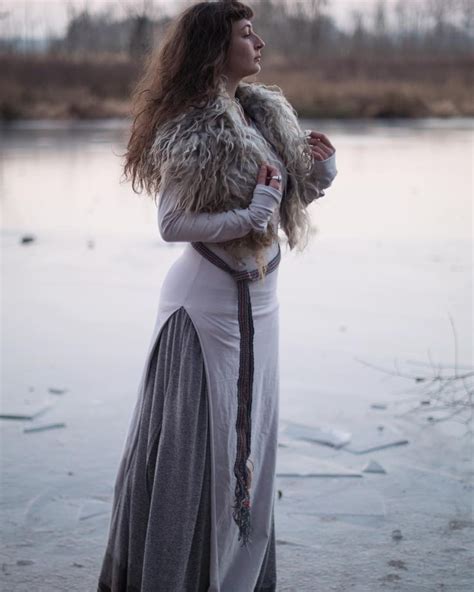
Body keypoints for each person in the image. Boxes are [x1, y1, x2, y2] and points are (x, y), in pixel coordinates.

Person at [97, 1, 337, 591]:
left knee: (252, 437)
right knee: (199, 444)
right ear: (214, 48)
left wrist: (320, 175)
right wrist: (247, 213)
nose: (259, 42)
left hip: (262, 301)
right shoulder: (192, 124)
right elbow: (172, 222)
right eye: (246, 33)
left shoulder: (259, 113)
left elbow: (281, 198)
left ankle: (238, 577)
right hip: (204, 308)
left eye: (256, 31)